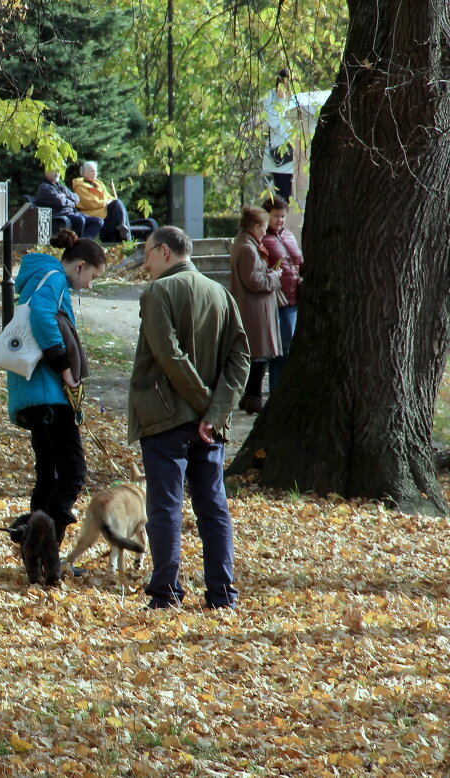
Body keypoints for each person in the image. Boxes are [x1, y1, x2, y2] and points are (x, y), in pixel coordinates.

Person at [131, 226, 250, 610]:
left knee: (165, 506)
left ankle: (165, 594)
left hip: (167, 418)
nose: (145, 262)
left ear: (165, 251)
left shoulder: (156, 292)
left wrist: (205, 408)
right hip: (207, 425)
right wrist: (214, 414)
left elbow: (168, 355)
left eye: (147, 253)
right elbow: (241, 359)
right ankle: (223, 595)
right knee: (213, 508)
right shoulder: (222, 295)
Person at [6, 230, 106, 579]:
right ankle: (46, 551)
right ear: (80, 266)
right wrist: (65, 368)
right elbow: (42, 318)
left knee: (48, 474)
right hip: (48, 393)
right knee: (74, 471)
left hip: (34, 393)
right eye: (92, 276)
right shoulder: (53, 279)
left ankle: (38, 557)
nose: (90, 285)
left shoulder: (40, 275)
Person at [229, 206, 282, 414]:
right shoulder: (248, 248)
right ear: (254, 226)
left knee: (258, 355)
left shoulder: (245, 244)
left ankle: (250, 396)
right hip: (254, 309)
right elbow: (253, 281)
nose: (265, 231)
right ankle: (254, 396)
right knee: (260, 354)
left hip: (253, 307)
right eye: (263, 227)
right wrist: (274, 277)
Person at [260, 195, 303, 392]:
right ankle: (276, 388)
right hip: (276, 300)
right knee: (279, 348)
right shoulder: (263, 239)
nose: (280, 220)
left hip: (293, 298)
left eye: (283, 216)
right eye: (276, 216)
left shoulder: (288, 236)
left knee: (288, 346)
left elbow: (298, 262)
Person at [72, 161, 132, 243]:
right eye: (92, 171)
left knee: (117, 203)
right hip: (92, 215)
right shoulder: (80, 187)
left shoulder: (99, 184)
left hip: (104, 213)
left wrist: (111, 201)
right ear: (85, 173)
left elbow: (110, 198)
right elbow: (91, 203)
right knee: (115, 206)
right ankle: (124, 234)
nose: (95, 173)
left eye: (96, 171)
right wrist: (105, 203)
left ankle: (123, 228)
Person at [34, 170, 102, 240]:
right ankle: (78, 245)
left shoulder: (60, 186)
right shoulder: (44, 187)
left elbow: (76, 198)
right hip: (59, 217)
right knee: (79, 219)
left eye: (58, 171)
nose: (57, 173)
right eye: (54, 171)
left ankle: (85, 242)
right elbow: (60, 201)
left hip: (71, 214)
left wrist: (65, 197)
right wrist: (71, 202)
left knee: (98, 221)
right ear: (46, 172)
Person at [262, 68, 298, 201]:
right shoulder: (270, 97)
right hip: (280, 155)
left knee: (297, 197)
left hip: (296, 153)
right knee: (283, 195)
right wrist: (281, 100)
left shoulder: (295, 98)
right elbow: (274, 123)